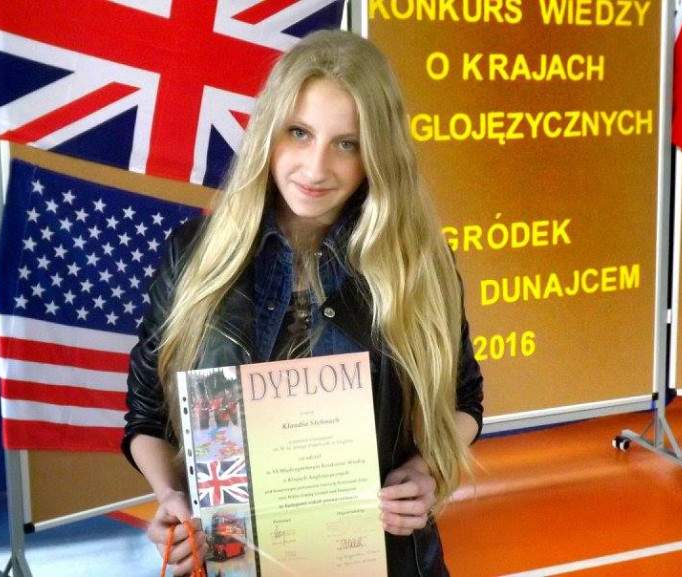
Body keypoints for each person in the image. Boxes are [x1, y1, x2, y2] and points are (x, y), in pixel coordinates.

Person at [122, 29, 484, 576]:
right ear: (269, 131)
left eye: (347, 144)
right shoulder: (194, 254)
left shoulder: (417, 262)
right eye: (300, 133)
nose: (316, 169)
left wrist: (427, 472)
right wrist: (172, 496)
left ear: (378, 153)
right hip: (231, 559)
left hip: (384, 560)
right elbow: (147, 413)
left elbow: (463, 397)